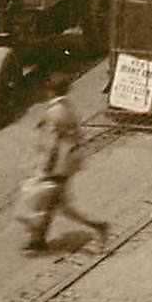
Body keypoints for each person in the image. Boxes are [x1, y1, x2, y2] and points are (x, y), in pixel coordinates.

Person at [23, 74, 109, 251]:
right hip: (67, 163)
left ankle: (98, 226)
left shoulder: (55, 112)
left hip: (58, 166)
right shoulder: (66, 108)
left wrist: (46, 166)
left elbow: (53, 143)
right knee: (53, 203)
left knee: (56, 205)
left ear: (50, 91)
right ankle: (38, 240)